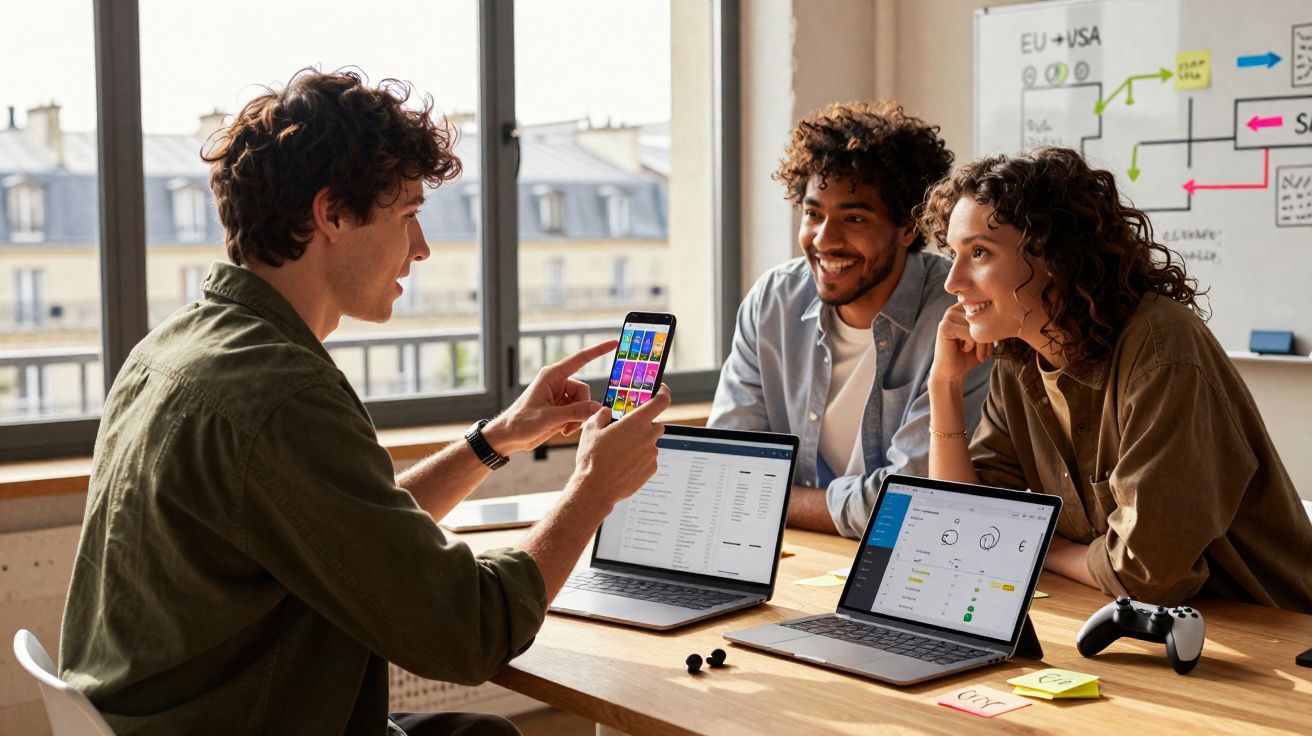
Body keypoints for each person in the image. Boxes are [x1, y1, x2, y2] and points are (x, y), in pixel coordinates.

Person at [58, 69, 671, 735]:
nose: (422, 248)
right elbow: (470, 631)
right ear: (333, 214)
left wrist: (493, 441)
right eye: (407, 215)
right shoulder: (280, 395)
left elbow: (349, 530)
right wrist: (591, 490)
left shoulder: (175, 349)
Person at [921, 146, 1312, 612]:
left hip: (1271, 633)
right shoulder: (1017, 357)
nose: (953, 281)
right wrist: (942, 388)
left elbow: (1146, 573)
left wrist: (1038, 548)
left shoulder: (1161, 350)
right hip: (1145, 623)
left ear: (1054, 256)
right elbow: (962, 530)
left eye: (979, 253)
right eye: (954, 253)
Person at [709, 101, 991, 538]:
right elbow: (728, 468)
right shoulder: (773, 302)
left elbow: (911, 504)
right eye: (812, 214)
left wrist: (773, 499)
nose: (824, 240)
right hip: (797, 557)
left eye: (854, 218)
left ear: (908, 228)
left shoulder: (960, 314)